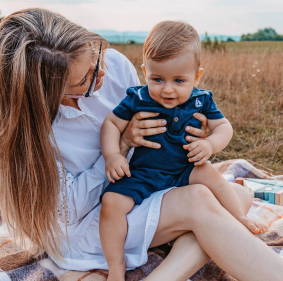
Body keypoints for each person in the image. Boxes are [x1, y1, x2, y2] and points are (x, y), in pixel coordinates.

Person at [0, 7, 283, 281]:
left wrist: (185, 127)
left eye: (95, 58)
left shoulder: (114, 65)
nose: (101, 75)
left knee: (236, 195)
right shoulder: (34, 134)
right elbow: (68, 213)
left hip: (140, 190)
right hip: (85, 227)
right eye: (84, 82)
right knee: (199, 201)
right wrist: (119, 148)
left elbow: (154, 118)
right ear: (45, 95)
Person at [99, 21, 268, 280]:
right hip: (145, 172)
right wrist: (113, 155)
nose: (167, 89)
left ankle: (238, 218)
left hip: (185, 167)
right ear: (145, 72)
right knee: (110, 203)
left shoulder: (201, 99)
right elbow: (111, 123)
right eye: (157, 79)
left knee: (214, 178)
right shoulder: (137, 98)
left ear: (196, 76)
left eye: (179, 80)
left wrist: (210, 144)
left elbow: (224, 127)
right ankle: (116, 267)